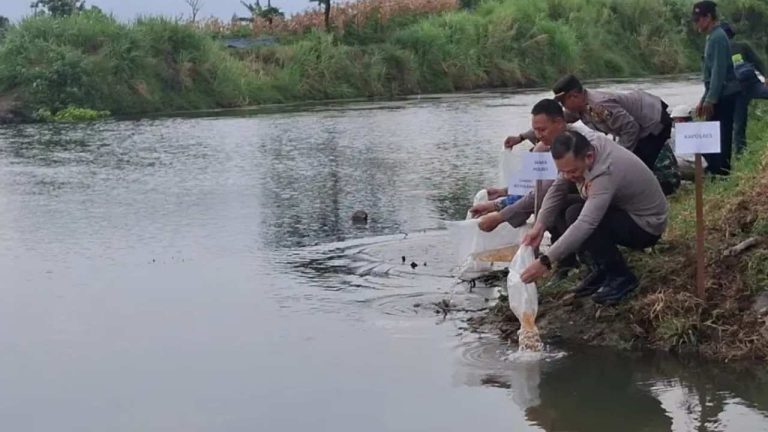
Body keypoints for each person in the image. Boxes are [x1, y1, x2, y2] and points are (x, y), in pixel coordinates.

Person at [473, 100, 620, 281]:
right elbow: (534, 188)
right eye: (535, 130)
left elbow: (543, 193)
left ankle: (582, 261)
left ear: (559, 123)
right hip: (584, 196)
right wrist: (504, 193)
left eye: (542, 130)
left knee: (561, 208)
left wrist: (499, 214)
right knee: (548, 208)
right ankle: (567, 262)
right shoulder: (541, 149)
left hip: (605, 201)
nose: (538, 135)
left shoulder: (579, 145)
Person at [519, 129, 668, 305]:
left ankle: (621, 276)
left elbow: (586, 223)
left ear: (589, 157)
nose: (568, 176)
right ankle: (600, 269)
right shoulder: (583, 147)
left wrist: (546, 261)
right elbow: (557, 189)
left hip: (646, 225)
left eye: (572, 171)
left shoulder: (604, 172)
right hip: (623, 209)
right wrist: (539, 225)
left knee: (577, 217)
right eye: (563, 171)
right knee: (566, 209)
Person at [692, 1, 741, 176]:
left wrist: (711, 100)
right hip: (717, 93)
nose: (696, 23)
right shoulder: (712, 37)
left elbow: (719, 72)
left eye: (698, 19)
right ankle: (715, 168)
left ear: (708, 17)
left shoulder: (718, 37)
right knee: (712, 135)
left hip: (725, 94)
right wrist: (704, 99)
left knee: (721, 135)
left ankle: (722, 171)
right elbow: (710, 76)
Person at [720, 21, 768, 154]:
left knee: (739, 124)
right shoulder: (720, 52)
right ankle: (740, 153)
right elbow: (759, 62)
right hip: (741, 90)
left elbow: (758, 62)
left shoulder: (741, 47)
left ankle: (740, 153)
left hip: (748, 87)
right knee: (739, 123)